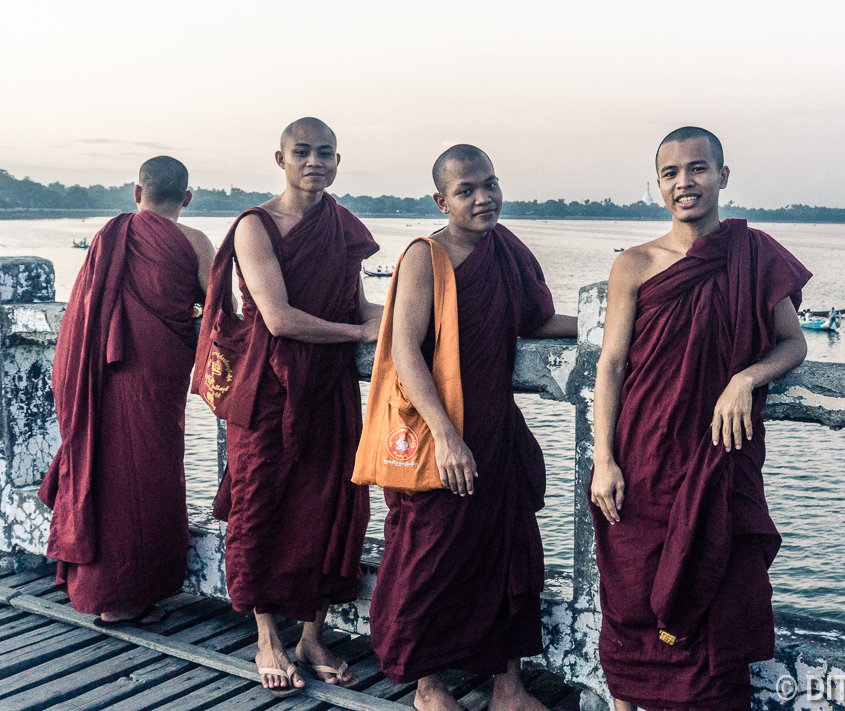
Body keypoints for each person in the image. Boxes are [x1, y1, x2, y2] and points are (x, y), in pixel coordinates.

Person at [590, 127, 811, 711]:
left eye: (698, 169)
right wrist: (604, 459)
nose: (684, 182)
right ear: (658, 184)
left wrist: (745, 379)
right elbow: (611, 364)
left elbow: (793, 344)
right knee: (633, 590)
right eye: (670, 173)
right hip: (641, 456)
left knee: (715, 579)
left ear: (723, 175)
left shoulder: (754, 254)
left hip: (717, 454)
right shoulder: (634, 265)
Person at [369, 144, 577, 711]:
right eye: (466, 190)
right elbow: (405, 352)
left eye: (489, 184)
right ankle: (429, 688)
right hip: (444, 437)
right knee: (427, 557)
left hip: (497, 432)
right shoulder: (425, 256)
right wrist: (445, 436)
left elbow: (537, 321)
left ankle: (508, 686)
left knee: (512, 554)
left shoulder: (507, 251)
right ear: (442, 200)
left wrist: (611, 327)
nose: (483, 197)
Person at [199, 117, 381, 695]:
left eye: (325, 153)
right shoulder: (256, 226)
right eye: (301, 152)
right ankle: (266, 636)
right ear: (279, 159)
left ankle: (310, 635)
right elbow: (277, 317)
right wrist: (358, 335)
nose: (314, 162)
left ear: (337, 160)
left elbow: (356, 301)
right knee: (261, 505)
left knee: (330, 507)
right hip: (268, 388)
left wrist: (401, 314)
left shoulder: (341, 227)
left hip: (327, 389)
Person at [39, 156, 215, 627]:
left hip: (105, 379)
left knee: (105, 472)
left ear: (137, 194)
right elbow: (220, 311)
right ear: (187, 199)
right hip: (157, 379)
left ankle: (107, 594)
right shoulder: (195, 242)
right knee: (150, 479)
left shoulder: (108, 237)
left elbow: (84, 315)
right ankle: (135, 594)